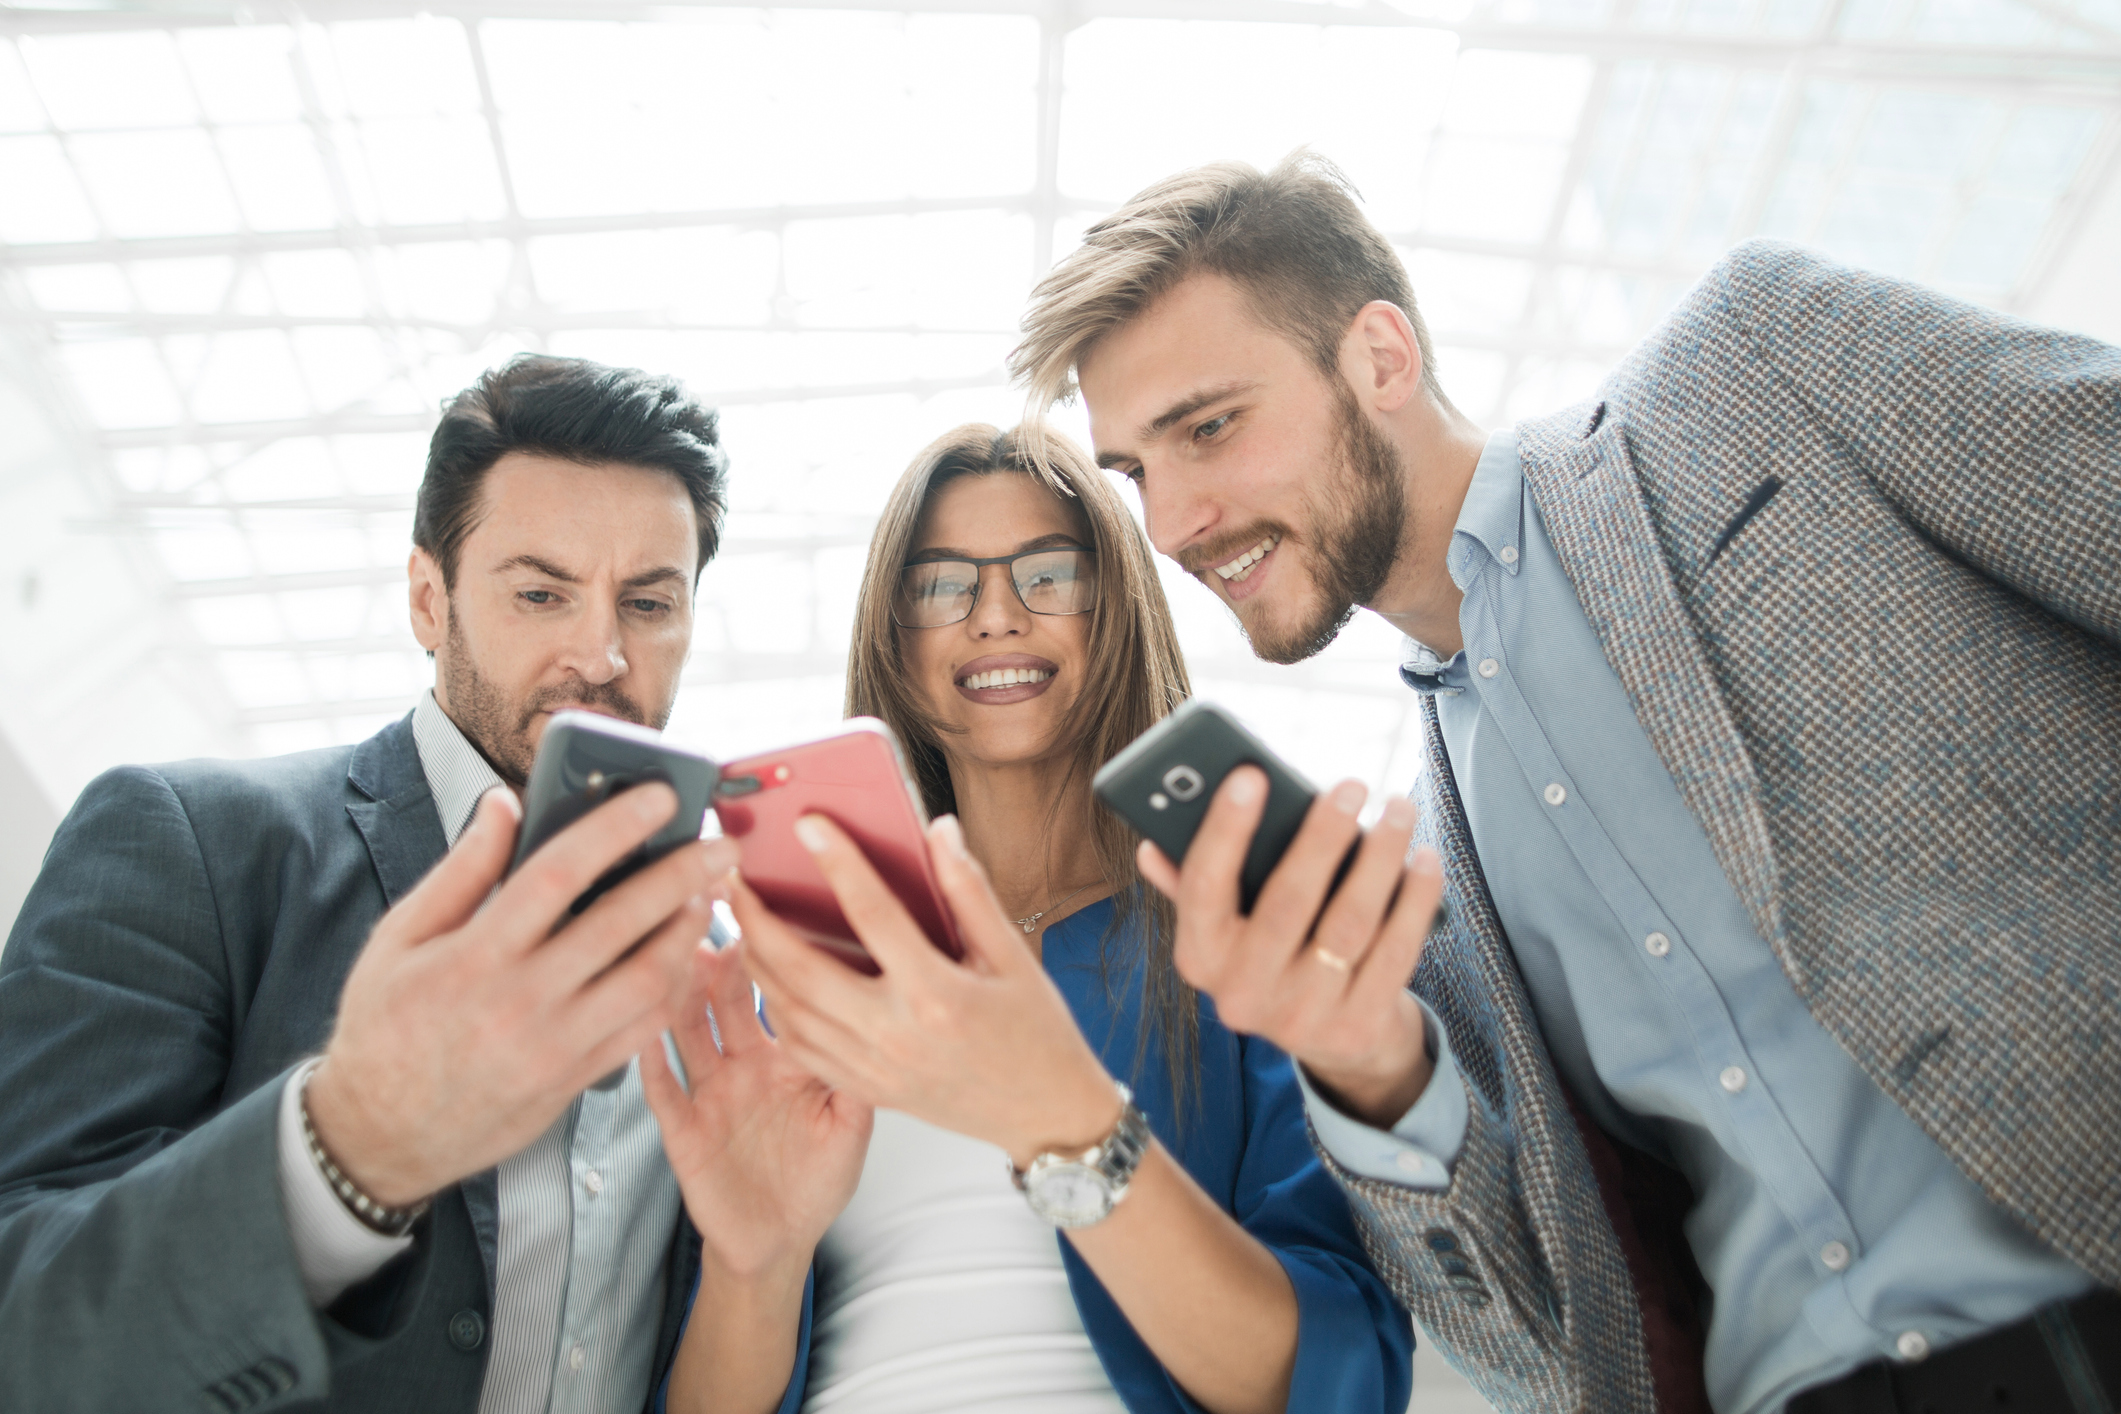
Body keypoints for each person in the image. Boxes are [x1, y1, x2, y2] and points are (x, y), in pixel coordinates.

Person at [1008, 153, 2121, 1414]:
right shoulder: (1418, 876)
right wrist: (1369, 1064)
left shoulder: (1750, 369)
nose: (1174, 522)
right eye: (1137, 471)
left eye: (1209, 428)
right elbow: (1541, 1347)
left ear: (1381, 356)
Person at [0, 354, 741, 1414]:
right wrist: (346, 1146)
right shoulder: (194, 844)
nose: (604, 652)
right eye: (541, 592)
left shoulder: (718, 974)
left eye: (651, 602)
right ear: (428, 601)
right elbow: (21, 1320)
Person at [642, 423, 1413, 1414]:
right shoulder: (802, 979)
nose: (996, 615)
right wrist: (755, 1264)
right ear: (894, 636)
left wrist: (1062, 1127)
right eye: (940, 585)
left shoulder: (1234, 940)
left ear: (1117, 609)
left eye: (1049, 575)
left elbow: (1337, 1381)